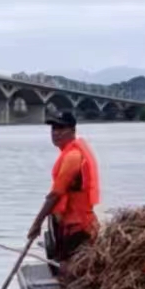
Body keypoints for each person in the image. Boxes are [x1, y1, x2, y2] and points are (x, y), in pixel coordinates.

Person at [28, 109, 100, 266]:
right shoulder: (68, 153)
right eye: (53, 128)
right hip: (68, 224)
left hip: (79, 226)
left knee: (70, 270)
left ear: (72, 131)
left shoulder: (72, 157)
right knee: (66, 268)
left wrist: (36, 224)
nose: (56, 133)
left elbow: (55, 195)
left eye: (61, 128)